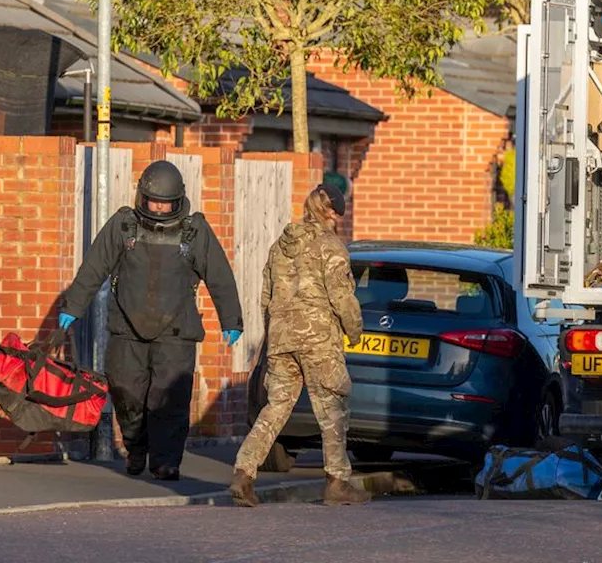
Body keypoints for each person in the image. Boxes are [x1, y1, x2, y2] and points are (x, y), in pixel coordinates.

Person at [60, 160, 243, 480]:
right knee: (125, 390)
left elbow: (220, 276)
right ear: (142, 197)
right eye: (153, 201)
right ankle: (137, 446)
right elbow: (94, 267)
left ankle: (165, 460)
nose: (158, 208)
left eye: (165, 203)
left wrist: (231, 320)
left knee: (169, 398)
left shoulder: (194, 230)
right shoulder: (123, 225)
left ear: (178, 201)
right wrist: (73, 306)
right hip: (127, 326)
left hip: (177, 330)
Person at [229, 183, 371, 507]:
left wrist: (271, 336)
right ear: (331, 212)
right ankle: (337, 483)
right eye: (337, 212)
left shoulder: (280, 246)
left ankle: (243, 471)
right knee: (332, 410)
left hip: (281, 338)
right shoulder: (331, 247)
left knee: (276, 407)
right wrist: (355, 330)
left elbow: (265, 297)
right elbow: (341, 296)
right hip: (319, 339)